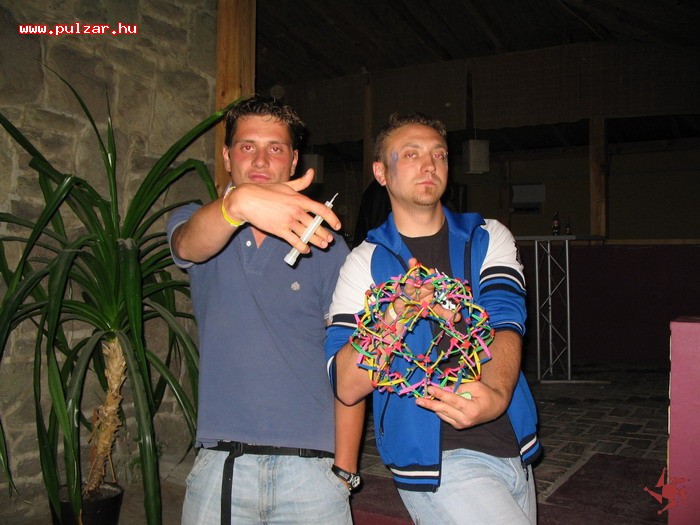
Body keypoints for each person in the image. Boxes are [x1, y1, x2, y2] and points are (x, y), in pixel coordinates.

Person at [325, 113, 542, 524]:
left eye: (438, 154)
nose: (429, 165)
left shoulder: (488, 236)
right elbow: (346, 385)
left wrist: (497, 394)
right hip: (440, 464)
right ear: (381, 173)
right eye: (411, 154)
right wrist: (395, 315)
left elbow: (505, 321)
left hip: (515, 446)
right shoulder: (363, 263)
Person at [167, 95, 360, 525]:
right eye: (246, 146)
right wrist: (236, 205)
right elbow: (187, 245)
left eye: (275, 148)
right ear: (226, 156)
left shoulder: (326, 244)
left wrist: (343, 472)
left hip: (311, 470)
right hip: (222, 464)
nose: (259, 159)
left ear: (293, 161)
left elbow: (350, 357)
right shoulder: (198, 219)